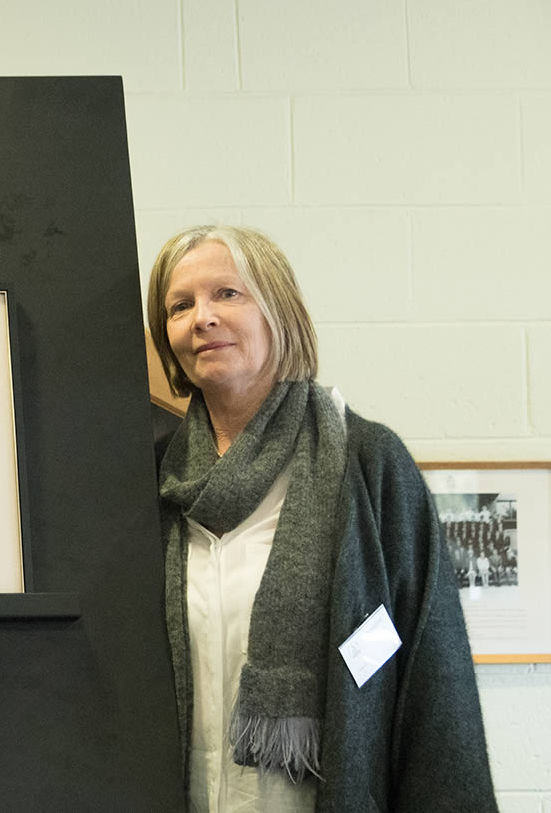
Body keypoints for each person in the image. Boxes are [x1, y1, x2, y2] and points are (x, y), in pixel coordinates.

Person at [147, 225, 494, 811]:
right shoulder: (151, 482)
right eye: (180, 305)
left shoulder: (367, 465)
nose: (201, 317)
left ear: (279, 311)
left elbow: (435, 681)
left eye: (227, 294)